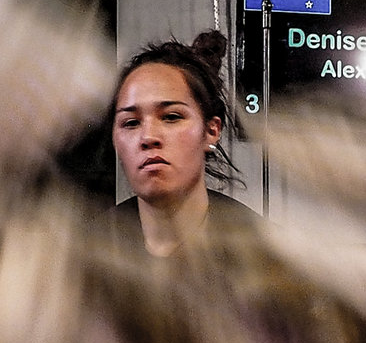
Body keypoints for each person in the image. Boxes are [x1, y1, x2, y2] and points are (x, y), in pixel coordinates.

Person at [110, 32, 258, 257]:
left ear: (211, 131)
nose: (148, 137)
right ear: (115, 139)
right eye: (131, 123)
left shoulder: (263, 252)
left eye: (171, 117)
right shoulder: (83, 254)